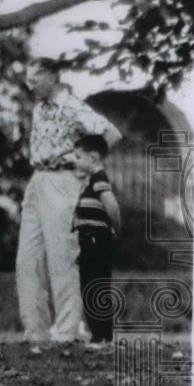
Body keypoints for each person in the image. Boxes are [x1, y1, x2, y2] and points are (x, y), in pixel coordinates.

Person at [17, 59, 122, 351]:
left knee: (63, 258)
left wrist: (84, 168)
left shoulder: (73, 106)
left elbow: (111, 134)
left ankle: (67, 331)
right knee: (27, 259)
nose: (30, 84)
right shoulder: (39, 109)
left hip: (63, 181)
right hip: (37, 180)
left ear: (52, 76)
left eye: (35, 77)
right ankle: (35, 330)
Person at [72, 134, 122, 349]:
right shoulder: (90, 182)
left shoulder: (99, 178)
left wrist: (115, 229)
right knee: (90, 286)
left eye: (78, 156)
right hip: (88, 239)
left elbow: (112, 207)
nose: (75, 161)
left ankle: (102, 336)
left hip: (96, 240)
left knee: (94, 285)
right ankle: (100, 334)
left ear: (92, 157)